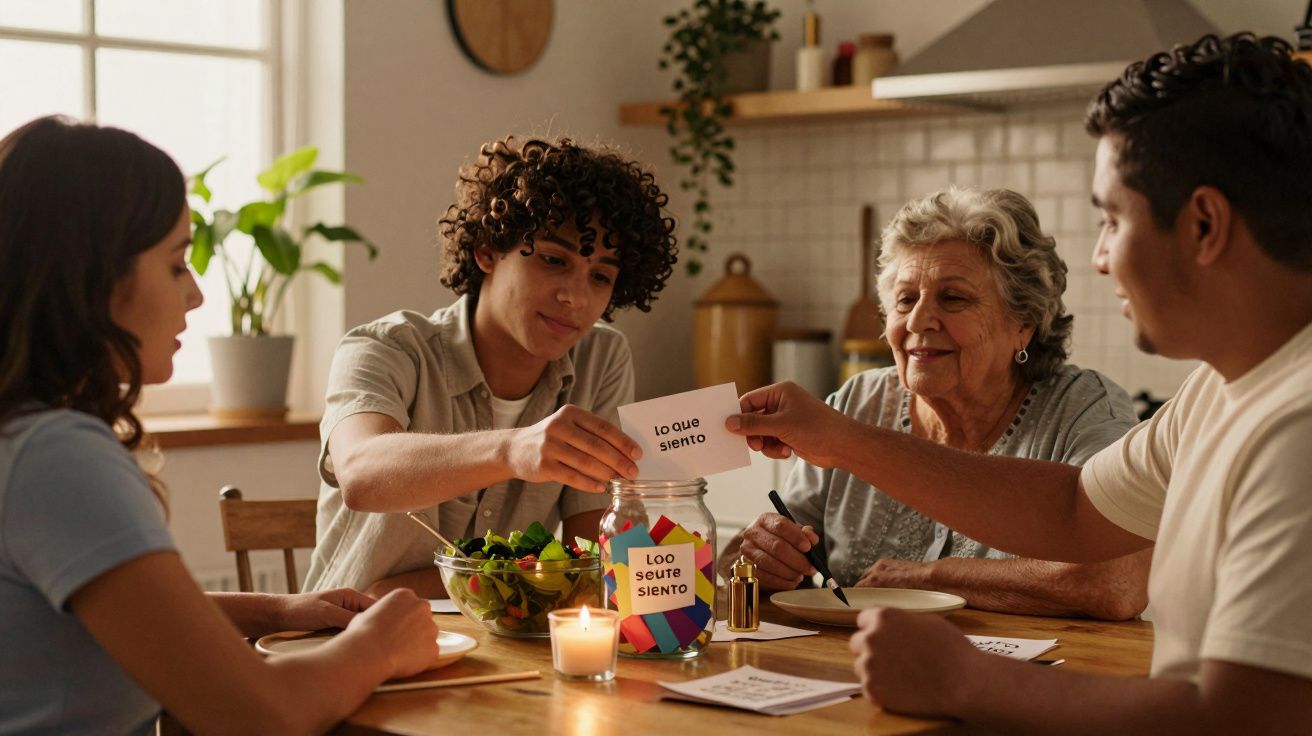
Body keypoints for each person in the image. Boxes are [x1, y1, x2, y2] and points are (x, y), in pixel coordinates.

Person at [726, 33, 1312, 731]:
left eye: (1111, 220)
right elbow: (1072, 509)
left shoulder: (1299, 424)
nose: (1100, 258)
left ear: (1204, 225)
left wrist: (965, 681)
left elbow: (1243, 719)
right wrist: (841, 438)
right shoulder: (1219, 391)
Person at [0, 116, 439, 735]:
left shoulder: (21, 436)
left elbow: (118, 612)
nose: (197, 295)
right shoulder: (56, 455)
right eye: (176, 264)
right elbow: (259, 716)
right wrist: (380, 647)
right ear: (93, 279)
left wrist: (277, 610)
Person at [718, 187, 1149, 620]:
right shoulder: (857, 402)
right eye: (906, 299)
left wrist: (929, 578)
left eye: (953, 298)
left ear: (1024, 323)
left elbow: (1114, 581)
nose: (919, 321)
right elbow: (756, 554)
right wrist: (760, 556)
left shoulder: (1082, 408)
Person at [304, 136, 678, 596]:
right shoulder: (385, 348)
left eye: (600, 276)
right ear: (486, 251)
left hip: (502, 633)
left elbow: (596, 559)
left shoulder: (601, 358)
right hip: (346, 629)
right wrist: (513, 450)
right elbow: (361, 474)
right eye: (553, 260)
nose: (576, 298)